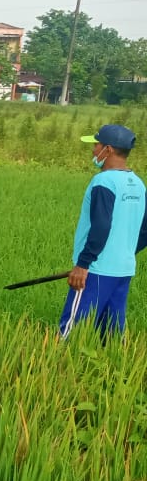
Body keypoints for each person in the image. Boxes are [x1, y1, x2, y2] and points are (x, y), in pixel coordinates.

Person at [59, 124, 147, 342]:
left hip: (96, 270)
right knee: (111, 334)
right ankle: (115, 369)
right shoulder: (138, 184)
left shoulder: (104, 182)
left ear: (107, 149)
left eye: (96, 145)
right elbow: (145, 229)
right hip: (124, 269)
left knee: (71, 330)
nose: (93, 150)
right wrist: (124, 252)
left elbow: (101, 226)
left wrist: (83, 265)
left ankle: (56, 366)